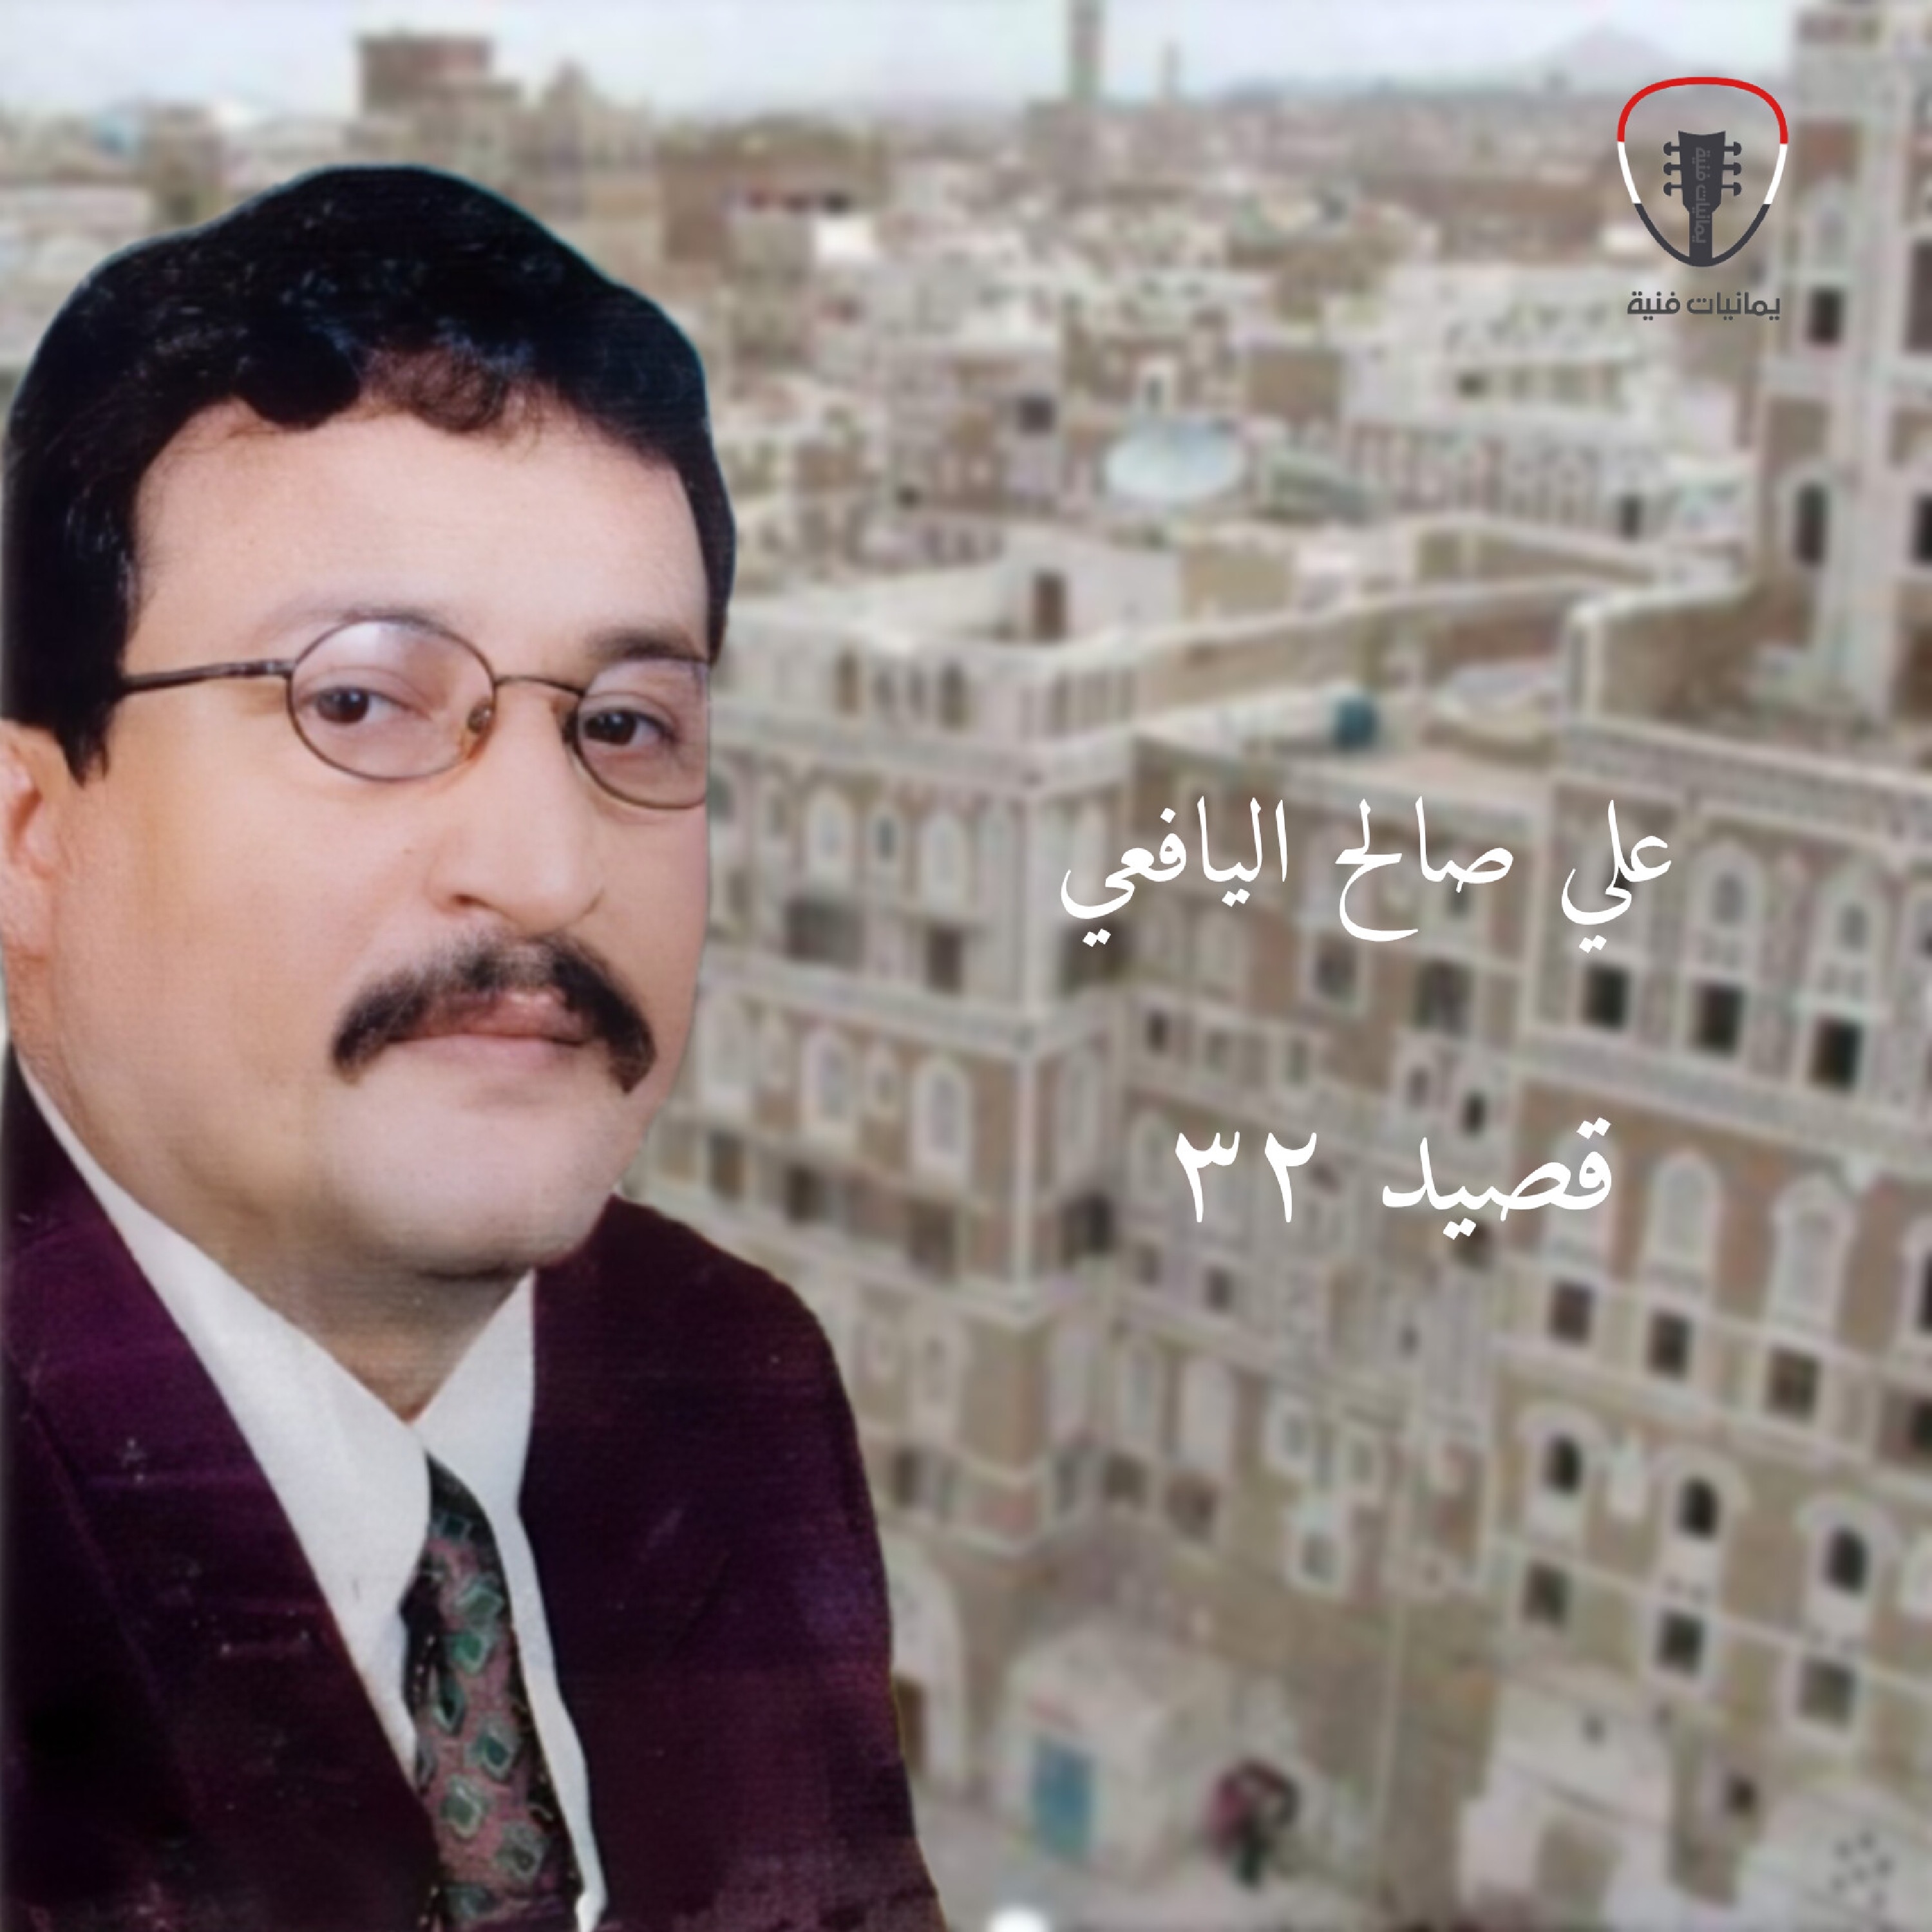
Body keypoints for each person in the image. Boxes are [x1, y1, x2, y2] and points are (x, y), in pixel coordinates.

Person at [0, 164, 943, 1932]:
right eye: (359, 700)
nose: (547, 864)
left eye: (627, 725)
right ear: (34, 839)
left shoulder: (731, 1381)